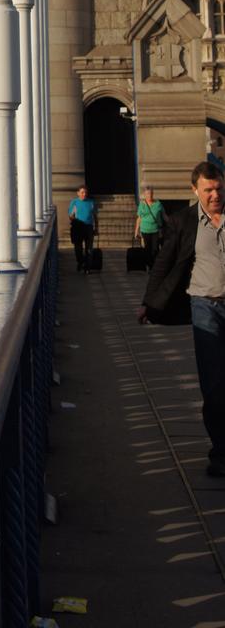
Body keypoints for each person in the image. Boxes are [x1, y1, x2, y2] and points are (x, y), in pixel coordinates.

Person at [137, 160, 225, 478]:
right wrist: (149, 301)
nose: (215, 195)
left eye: (218, 188)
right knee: (214, 384)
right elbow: (164, 262)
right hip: (205, 307)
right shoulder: (184, 221)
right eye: (208, 190)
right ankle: (221, 452)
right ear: (195, 190)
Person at [133, 184, 165, 270]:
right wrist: (136, 231)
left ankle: (153, 266)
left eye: (151, 194)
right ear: (144, 195)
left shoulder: (158, 204)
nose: (149, 195)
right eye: (147, 194)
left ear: (153, 194)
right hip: (145, 230)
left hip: (155, 230)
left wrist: (172, 222)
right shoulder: (142, 205)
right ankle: (150, 266)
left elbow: (164, 215)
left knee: (155, 249)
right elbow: (139, 218)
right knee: (147, 249)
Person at [68, 184, 97, 272]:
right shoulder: (74, 202)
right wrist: (73, 215)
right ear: (78, 193)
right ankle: (80, 262)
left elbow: (95, 216)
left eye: (85, 192)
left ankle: (87, 267)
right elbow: (70, 216)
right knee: (78, 248)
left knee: (89, 249)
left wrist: (96, 228)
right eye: (82, 192)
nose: (84, 194)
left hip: (88, 227)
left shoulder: (91, 202)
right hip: (78, 227)